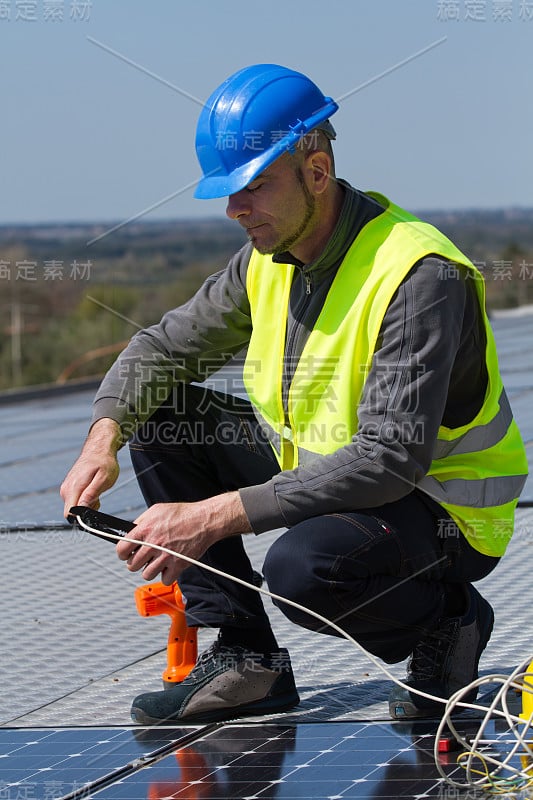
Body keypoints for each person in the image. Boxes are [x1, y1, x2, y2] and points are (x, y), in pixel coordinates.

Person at [61, 63, 528, 725]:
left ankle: (445, 620)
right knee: (163, 413)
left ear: (315, 171)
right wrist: (103, 438)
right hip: (335, 478)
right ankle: (250, 663)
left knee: (306, 571)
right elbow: (163, 349)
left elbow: (387, 460)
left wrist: (209, 515)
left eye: (251, 187)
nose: (234, 209)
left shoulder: (418, 274)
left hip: (442, 511)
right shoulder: (268, 258)